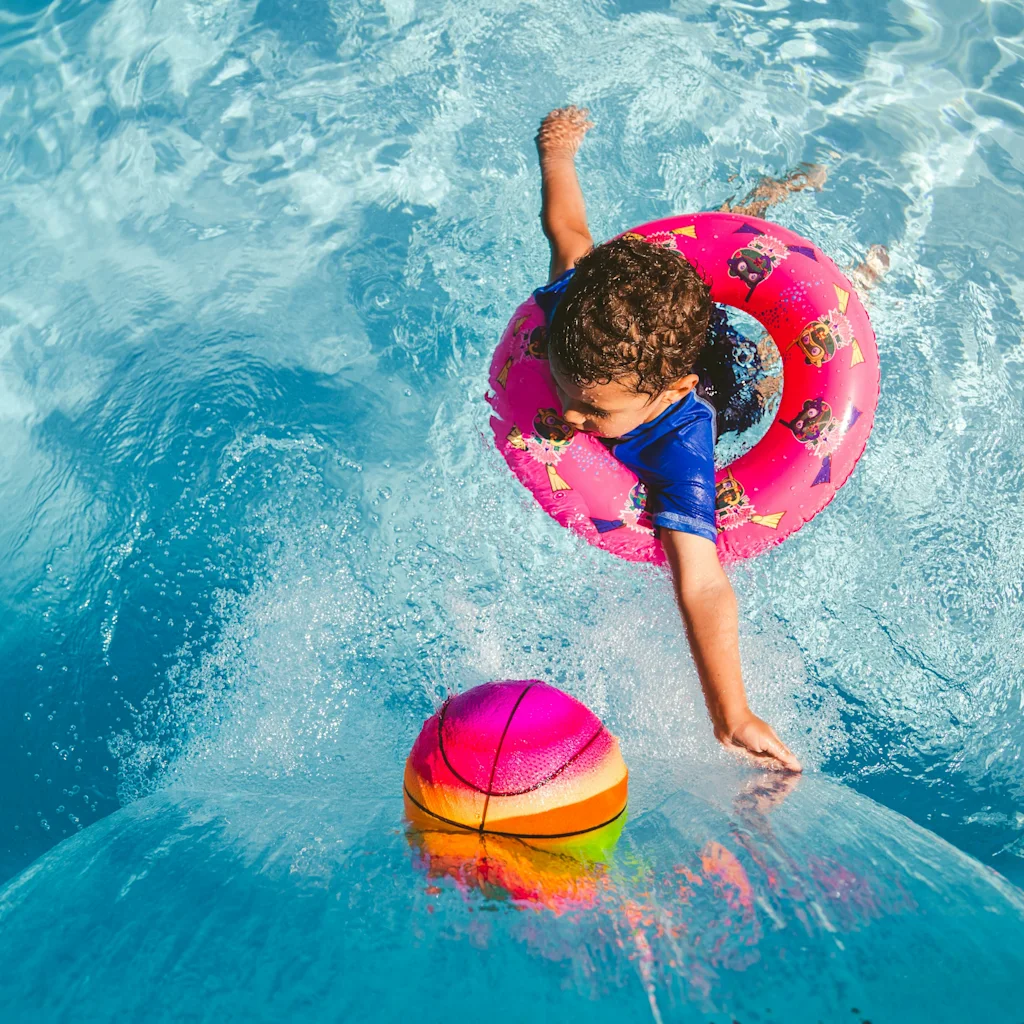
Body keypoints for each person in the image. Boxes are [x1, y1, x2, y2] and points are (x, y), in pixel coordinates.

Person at [533, 105, 830, 772]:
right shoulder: (573, 314)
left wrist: (732, 714)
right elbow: (568, 227)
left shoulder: (682, 441)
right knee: (697, 279)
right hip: (662, 341)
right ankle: (764, 196)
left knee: (769, 375)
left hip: (727, 382)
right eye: (563, 393)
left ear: (665, 397)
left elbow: (700, 581)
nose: (572, 420)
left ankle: (831, 255)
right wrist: (557, 156)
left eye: (593, 413)